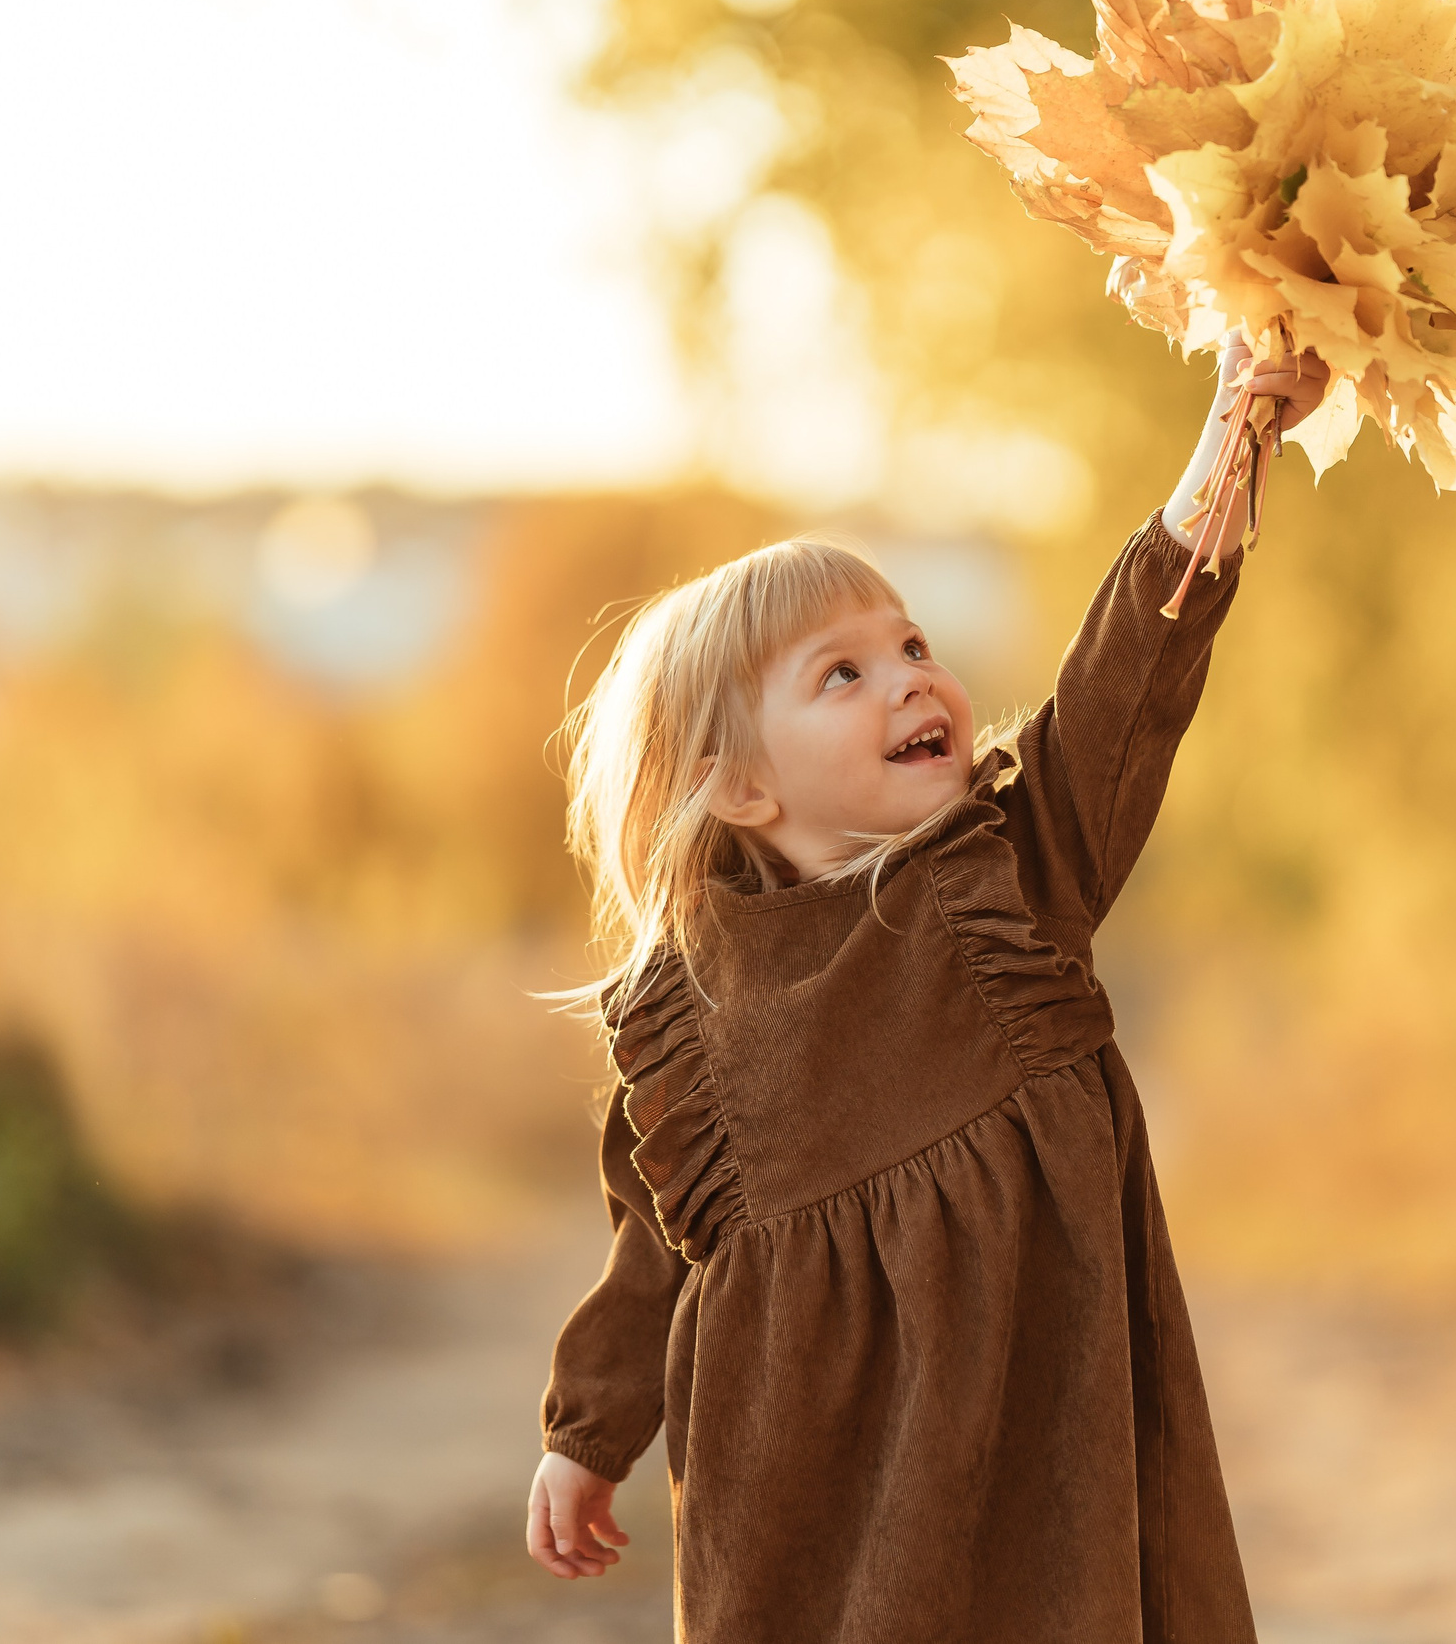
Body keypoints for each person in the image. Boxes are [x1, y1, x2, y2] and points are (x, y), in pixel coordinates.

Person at [524, 339, 1331, 1642]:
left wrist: (1233, 443)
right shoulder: (688, 1015)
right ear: (741, 786)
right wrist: (587, 1433)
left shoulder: (1009, 881)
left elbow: (1131, 682)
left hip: (1033, 1473)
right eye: (842, 673)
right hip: (808, 1524)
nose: (910, 678)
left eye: (911, 644)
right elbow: (647, 1255)